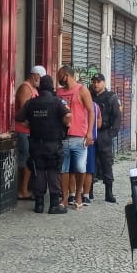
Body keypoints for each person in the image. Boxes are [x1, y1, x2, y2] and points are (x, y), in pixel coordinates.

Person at [14, 75, 71, 214]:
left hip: (36, 144)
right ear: (51, 87)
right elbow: (68, 116)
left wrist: (30, 126)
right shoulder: (57, 102)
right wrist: (65, 125)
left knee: (38, 171)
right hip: (53, 144)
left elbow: (18, 118)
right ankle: (54, 205)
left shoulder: (31, 103)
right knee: (53, 171)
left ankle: (39, 205)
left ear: (40, 87)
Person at [56, 66, 95, 210]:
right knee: (63, 169)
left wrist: (89, 133)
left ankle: (79, 195)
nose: (58, 79)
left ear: (67, 75)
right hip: (63, 137)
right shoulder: (59, 92)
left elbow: (91, 111)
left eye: (60, 76)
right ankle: (65, 198)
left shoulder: (82, 90)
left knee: (80, 168)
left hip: (79, 136)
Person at [14, 65, 47, 200]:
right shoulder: (25, 88)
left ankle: (26, 188)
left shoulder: (33, 89)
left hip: (30, 131)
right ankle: (22, 190)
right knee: (26, 160)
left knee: (30, 160)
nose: (41, 80)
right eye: (40, 78)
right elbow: (24, 111)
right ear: (34, 76)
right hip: (23, 130)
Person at [91, 73, 121, 203]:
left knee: (106, 163)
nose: (96, 84)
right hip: (91, 132)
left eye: (98, 81)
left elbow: (117, 116)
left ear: (103, 82)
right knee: (90, 162)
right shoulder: (89, 96)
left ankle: (109, 192)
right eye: (94, 81)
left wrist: (112, 133)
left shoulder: (111, 97)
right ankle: (89, 191)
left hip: (104, 133)